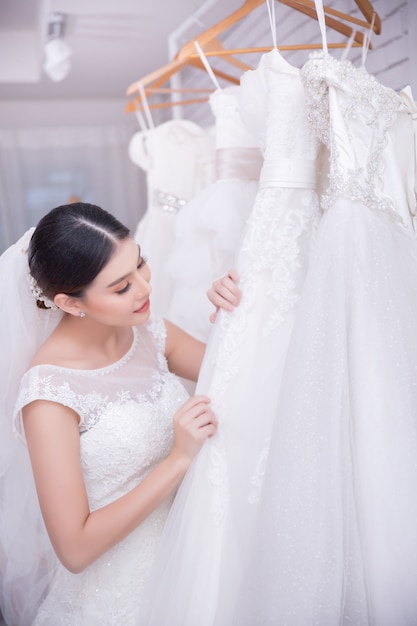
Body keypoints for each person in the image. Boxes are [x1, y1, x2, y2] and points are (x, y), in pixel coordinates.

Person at [0, 202, 239, 626]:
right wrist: (179, 459)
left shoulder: (148, 332)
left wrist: (234, 318)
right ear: (71, 304)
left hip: (190, 566)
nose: (145, 288)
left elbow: (239, 378)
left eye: (141, 264)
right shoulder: (50, 393)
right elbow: (74, 549)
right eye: (120, 286)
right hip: (118, 601)